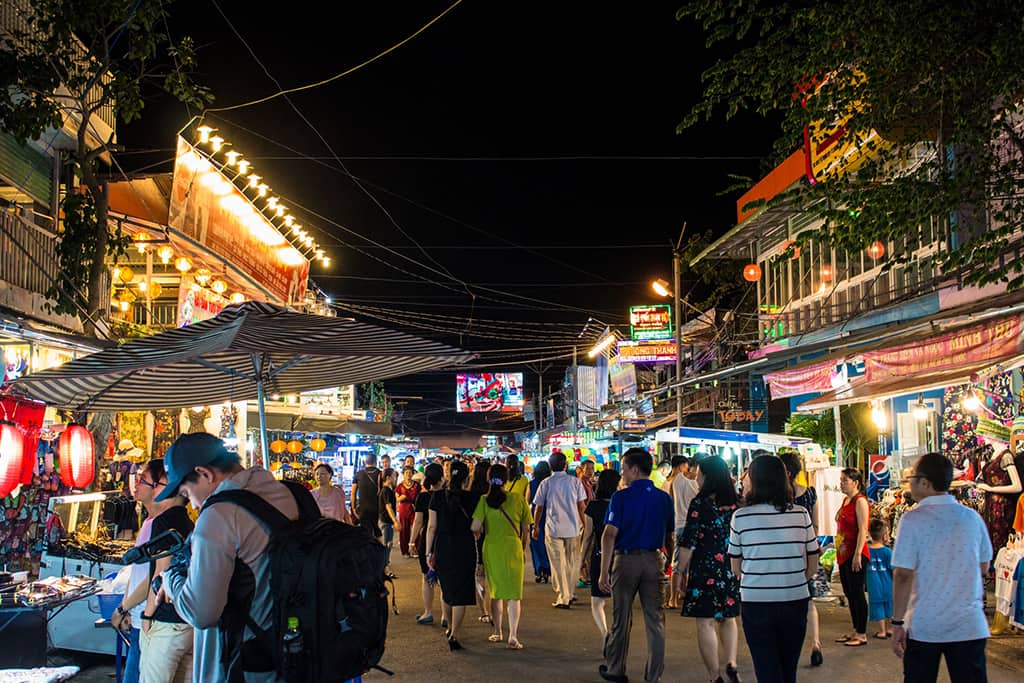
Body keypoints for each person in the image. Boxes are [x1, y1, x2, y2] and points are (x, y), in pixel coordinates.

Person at [155, 433, 301, 682]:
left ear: (205, 474)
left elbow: (201, 612)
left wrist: (169, 580)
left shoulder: (218, 516)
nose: (191, 504)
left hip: (241, 664)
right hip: (294, 653)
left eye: (187, 493)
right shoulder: (286, 493)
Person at [891, 452, 992, 682]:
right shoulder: (972, 518)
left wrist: (897, 623)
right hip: (968, 624)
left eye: (911, 477)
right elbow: (983, 566)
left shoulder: (912, 520)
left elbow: (903, 576)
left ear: (925, 482)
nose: (909, 483)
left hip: (925, 624)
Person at [729, 454, 819, 683]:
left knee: (765, 668)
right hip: (795, 599)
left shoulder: (740, 517)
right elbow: (812, 563)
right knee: (788, 669)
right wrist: (794, 578)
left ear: (756, 480)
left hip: (756, 602)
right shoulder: (801, 514)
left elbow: (736, 567)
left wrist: (758, 578)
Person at [597, 448, 674, 683]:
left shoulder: (620, 497)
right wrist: (668, 559)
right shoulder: (663, 498)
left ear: (634, 469)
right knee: (655, 620)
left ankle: (616, 669)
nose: (622, 475)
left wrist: (603, 573)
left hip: (625, 560)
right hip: (654, 560)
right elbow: (669, 535)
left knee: (621, 618)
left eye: (623, 470)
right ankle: (653, 676)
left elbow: (609, 535)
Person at [111, 460, 186, 683]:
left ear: (161, 486)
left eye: (143, 479)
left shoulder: (165, 524)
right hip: (150, 617)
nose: (137, 484)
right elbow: (140, 571)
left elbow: (157, 575)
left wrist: (142, 612)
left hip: (157, 620)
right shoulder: (153, 523)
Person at [674, 455, 740, 683]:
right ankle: (731, 662)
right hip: (731, 568)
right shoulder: (736, 505)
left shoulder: (700, 504)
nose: (698, 478)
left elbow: (689, 541)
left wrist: (679, 571)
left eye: (700, 474)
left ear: (709, 477)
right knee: (729, 617)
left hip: (704, 568)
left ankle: (714, 675)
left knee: (706, 622)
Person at [138, 460, 195, 683]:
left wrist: (148, 614)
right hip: (187, 619)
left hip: (166, 621)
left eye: (155, 483)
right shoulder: (187, 521)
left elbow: (161, 572)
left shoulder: (163, 522)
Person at [471, 463, 532, 649]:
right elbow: (526, 529)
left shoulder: (484, 500)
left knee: (495, 592)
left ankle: (497, 632)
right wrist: (522, 547)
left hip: (492, 547)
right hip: (513, 547)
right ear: (507, 479)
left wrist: (482, 529)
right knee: (514, 594)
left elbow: (474, 526)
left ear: (489, 479)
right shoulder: (518, 499)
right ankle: (513, 635)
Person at [426, 460, 481, 651]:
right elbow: (477, 527)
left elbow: (431, 527)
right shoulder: (473, 498)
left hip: (443, 546)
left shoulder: (437, 496)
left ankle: (449, 627)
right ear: (467, 478)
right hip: (465, 547)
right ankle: (455, 633)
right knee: (462, 592)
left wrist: (428, 552)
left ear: (448, 476)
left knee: (446, 589)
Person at [779, 450, 823, 667]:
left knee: (788, 601)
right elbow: (815, 525)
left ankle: (788, 647)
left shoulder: (779, 497)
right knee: (809, 602)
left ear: (785, 472)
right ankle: (815, 643)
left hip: (787, 554)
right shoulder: (810, 493)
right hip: (809, 551)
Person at [532, 450, 587, 609]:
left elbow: (538, 508)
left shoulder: (546, 483)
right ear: (566, 465)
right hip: (572, 528)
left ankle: (564, 596)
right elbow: (581, 507)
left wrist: (535, 526)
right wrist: (586, 525)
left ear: (550, 466)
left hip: (553, 529)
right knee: (571, 562)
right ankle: (569, 592)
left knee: (558, 563)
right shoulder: (575, 482)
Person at [582, 468, 621, 640]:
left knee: (597, 601)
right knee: (620, 600)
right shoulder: (621, 504)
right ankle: (617, 633)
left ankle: (605, 633)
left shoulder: (593, 506)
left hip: (599, 556)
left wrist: (581, 559)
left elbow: (588, 536)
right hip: (620, 557)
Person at [835, 467, 871, 647]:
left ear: (855, 483)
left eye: (845, 480)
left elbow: (863, 529)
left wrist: (857, 553)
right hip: (843, 554)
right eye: (841, 480)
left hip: (855, 553)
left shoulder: (860, 501)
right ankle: (855, 628)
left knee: (857, 592)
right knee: (849, 593)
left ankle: (862, 633)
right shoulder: (846, 500)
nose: (841, 483)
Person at [412, 463, 444, 625]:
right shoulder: (447, 495)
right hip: (445, 538)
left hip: (428, 540)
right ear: (442, 478)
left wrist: (412, 541)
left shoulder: (423, 497)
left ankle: (428, 612)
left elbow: (418, 522)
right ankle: (446, 616)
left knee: (426, 577)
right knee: (445, 579)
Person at [669, 455, 699, 610]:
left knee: (678, 564)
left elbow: (672, 500)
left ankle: (674, 597)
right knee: (689, 564)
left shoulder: (677, 481)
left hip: (679, 525)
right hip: (693, 527)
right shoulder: (697, 485)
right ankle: (681, 595)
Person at [469, 460, 493, 624]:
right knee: (491, 577)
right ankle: (491, 610)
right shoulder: (494, 495)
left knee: (479, 576)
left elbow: (472, 523)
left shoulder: (470, 496)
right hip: (493, 538)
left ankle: (484, 611)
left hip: (476, 539)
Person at [867, 518, 894, 639]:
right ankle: (891, 628)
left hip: (873, 585)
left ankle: (882, 631)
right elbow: (893, 568)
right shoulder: (888, 552)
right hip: (888, 584)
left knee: (878, 607)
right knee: (890, 605)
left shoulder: (866, 551)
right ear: (884, 534)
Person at [528, 460, 552, 584]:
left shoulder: (531, 484)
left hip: (535, 515)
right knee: (547, 543)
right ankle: (548, 568)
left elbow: (528, 500)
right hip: (548, 514)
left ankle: (539, 570)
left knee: (536, 543)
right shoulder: (549, 483)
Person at [351, 453, 383, 540]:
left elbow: (353, 493)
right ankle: (377, 549)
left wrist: (353, 507)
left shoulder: (358, 474)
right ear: (376, 462)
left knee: (366, 530)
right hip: (377, 508)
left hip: (363, 508)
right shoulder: (381, 474)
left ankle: (368, 549)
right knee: (376, 530)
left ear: (365, 462)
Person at [396, 466, 421, 557]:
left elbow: (420, 497)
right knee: (404, 530)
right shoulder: (400, 486)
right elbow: (397, 499)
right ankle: (405, 551)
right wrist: (401, 498)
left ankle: (416, 549)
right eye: (406, 473)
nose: (408, 475)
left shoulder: (417, 485)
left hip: (414, 508)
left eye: (410, 473)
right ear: (403, 474)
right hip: (403, 509)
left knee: (416, 529)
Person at [379, 467, 399, 578]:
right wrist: (395, 520)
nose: (395, 478)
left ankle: (385, 568)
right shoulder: (386, 490)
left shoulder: (388, 490)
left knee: (388, 544)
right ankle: (385, 569)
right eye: (394, 476)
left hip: (387, 521)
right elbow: (388, 506)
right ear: (388, 478)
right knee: (386, 545)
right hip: (385, 521)